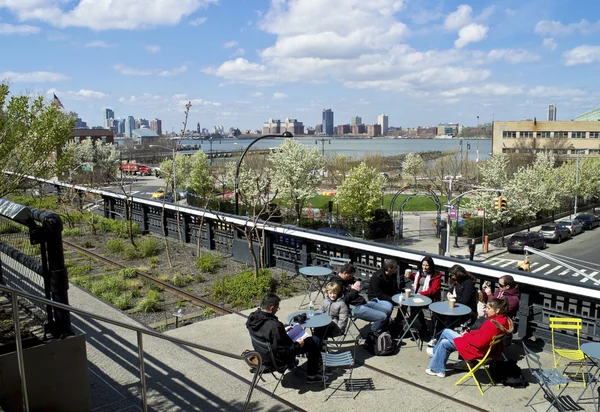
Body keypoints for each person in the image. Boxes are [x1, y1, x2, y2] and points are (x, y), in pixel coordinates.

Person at [246, 293, 328, 384]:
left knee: (287, 326)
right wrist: (298, 344)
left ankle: (308, 366)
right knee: (314, 341)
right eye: (277, 308)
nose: (277, 310)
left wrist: (282, 332)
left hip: (264, 354)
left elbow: (263, 333)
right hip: (277, 360)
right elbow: (285, 352)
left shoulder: (252, 318)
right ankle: (312, 376)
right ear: (272, 308)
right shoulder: (274, 326)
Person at [425, 298, 514, 378]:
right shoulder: (503, 320)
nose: (485, 310)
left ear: (497, 310)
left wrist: (465, 335)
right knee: (444, 343)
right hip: (484, 350)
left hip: (475, 351)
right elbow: (482, 334)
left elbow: (479, 344)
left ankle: (434, 352)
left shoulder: (492, 324)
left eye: (488, 308)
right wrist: (470, 332)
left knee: (446, 331)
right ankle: (438, 370)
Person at [330, 262, 392, 334]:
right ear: (344, 273)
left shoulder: (345, 280)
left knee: (388, 309)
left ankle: (380, 329)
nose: (351, 278)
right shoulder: (336, 284)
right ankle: (371, 335)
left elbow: (352, 283)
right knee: (382, 317)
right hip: (353, 308)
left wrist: (357, 283)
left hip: (361, 302)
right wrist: (354, 290)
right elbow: (343, 301)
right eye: (350, 276)